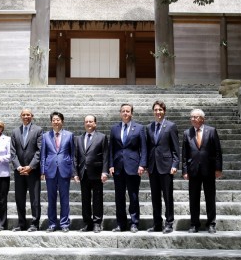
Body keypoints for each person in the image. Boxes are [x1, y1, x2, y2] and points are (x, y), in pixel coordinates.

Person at [182, 108, 223, 234]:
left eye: (195, 117)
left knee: (210, 197)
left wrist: (218, 168)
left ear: (202, 119)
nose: (192, 119)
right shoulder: (187, 133)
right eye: (191, 117)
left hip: (209, 169)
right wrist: (185, 171)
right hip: (193, 170)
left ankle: (211, 224)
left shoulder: (211, 131)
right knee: (193, 198)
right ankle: (194, 224)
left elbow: (217, 151)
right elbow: (184, 154)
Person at [109, 103, 147, 233]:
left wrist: (142, 164)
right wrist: (111, 165)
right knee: (119, 197)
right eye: (123, 111)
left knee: (133, 196)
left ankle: (134, 223)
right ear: (120, 113)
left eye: (128, 111)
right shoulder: (114, 129)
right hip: (118, 167)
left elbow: (143, 148)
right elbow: (111, 148)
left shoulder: (139, 128)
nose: (125, 113)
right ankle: (121, 224)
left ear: (132, 113)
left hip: (133, 167)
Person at [145, 100, 180, 234]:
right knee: (155, 197)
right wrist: (146, 165)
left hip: (166, 166)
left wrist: (175, 164)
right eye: (156, 110)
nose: (158, 112)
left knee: (167, 196)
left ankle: (169, 223)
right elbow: (148, 147)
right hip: (153, 167)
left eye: (160, 110)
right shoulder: (149, 127)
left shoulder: (171, 126)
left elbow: (175, 148)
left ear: (164, 111)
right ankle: (157, 224)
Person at [40, 111, 76, 233]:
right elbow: (43, 154)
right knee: (51, 199)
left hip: (64, 170)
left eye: (58, 120)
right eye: (54, 120)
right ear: (51, 122)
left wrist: (73, 171)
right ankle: (52, 224)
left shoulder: (69, 135)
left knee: (65, 199)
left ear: (62, 121)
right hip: (50, 170)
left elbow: (72, 154)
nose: (56, 122)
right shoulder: (45, 136)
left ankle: (64, 223)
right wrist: (42, 170)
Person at [74, 115, 109, 233]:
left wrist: (105, 171)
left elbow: (105, 156)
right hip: (83, 173)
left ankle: (97, 223)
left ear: (95, 123)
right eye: (86, 122)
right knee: (85, 199)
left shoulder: (102, 137)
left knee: (97, 199)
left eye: (90, 121)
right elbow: (75, 157)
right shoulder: (78, 138)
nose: (88, 123)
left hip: (97, 173)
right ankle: (87, 223)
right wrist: (75, 173)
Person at [10, 108, 43, 232]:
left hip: (33, 171)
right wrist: (18, 166)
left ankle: (35, 223)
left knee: (35, 199)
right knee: (19, 198)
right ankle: (21, 223)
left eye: (28, 114)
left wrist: (30, 166)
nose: (26, 117)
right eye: (23, 115)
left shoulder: (38, 130)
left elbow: (39, 150)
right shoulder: (15, 131)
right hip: (19, 171)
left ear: (32, 116)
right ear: (21, 116)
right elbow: (12, 152)